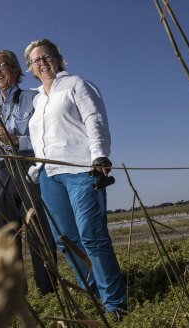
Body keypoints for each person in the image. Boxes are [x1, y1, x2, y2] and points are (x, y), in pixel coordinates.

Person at [24, 39, 127, 318]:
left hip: (81, 169)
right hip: (49, 175)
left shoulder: (76, 84)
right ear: (31, 68)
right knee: (65, 240)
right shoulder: (36, 99)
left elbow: (94, 118)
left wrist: (100, 156)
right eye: (36, 60)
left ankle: (115, 303)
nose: (42, 62)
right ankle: (92, 292)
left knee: (92, 236)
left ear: (57, 59)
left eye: (47, 57)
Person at [0, 49, 57, 295]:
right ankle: (15, 295)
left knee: (38, 231)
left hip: (27, 167)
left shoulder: (33, 98)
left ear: (14, 70)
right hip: (0, 172)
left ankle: (49, 291)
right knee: (3, 236)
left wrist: (12, 139)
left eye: (1, 66)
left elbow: (43, 140)